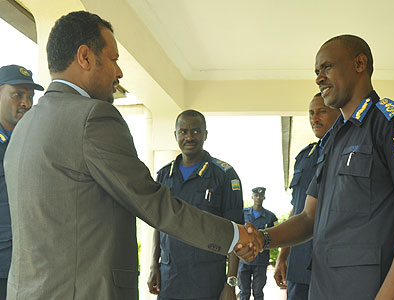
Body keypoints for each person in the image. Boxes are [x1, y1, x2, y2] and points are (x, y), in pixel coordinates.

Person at [3, 11, 263, 300]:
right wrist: (234, 235)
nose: (120, 72)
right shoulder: (92, 117)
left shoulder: (24, 126)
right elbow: (153, 202)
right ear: (85, 57)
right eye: (114, 59)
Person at [235, 34, 394, 300]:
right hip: (323, 287)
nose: (319, 78)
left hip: (369, 289)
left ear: (359, 63)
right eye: (316, 71)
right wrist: (263, 239)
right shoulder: (332, 139)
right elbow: (309, 217)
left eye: (327, 67)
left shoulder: (388, 124)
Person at [147, 109, 244, 300]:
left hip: (207, 282)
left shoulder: (224, 175)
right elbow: (159, 225)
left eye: (196, 131)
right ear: (175, 135)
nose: (189, 137)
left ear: (205, 134)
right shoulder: (164, 176)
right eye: (183, 132)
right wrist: (153, 266)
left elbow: (236, 232)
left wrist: (230, 283)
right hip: (170, 280)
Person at [273, 93, 340, 300]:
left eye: (322, 112)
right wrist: (282, 257)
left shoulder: (348, 151)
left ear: (338, 114)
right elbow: (298, 208)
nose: (314, 118)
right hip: (300, 263)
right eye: (311, 113)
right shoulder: (304, 157)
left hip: (335, 262)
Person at [0, 64, 43, 300]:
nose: (26, 103)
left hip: (31, 265)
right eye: (17, 95)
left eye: (30, 96)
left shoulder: (35, 143)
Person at [238, 187, 277, 300]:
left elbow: (273, 238)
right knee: (244, 293)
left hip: (260, 260)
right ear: (252, 197)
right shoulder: (243, 213)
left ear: (264, 197)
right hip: (244, 259)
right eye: (256, 195)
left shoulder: (270, 217)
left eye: (261, 195)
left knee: (258, 292)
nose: (258, 198)